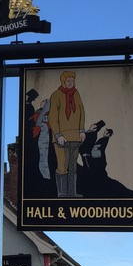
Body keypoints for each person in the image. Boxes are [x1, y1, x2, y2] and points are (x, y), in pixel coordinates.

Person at [47, 70, 86, 198]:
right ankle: (62, 193)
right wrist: (58, 134)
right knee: (62, 164)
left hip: (75, 136)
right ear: (63, 81)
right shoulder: (56, 95)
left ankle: (72, 192)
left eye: (72, 81)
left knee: (73, 165)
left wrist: (81, 130)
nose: (70, 83)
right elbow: (52, 116)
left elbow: (81, 112)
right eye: (68, 80)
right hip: (61, 138)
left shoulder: (76, 94)